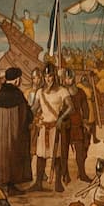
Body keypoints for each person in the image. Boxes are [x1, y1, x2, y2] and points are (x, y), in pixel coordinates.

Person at [0, 66, 32, 194]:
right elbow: (25, 115)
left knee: (2, 156)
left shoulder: (0, 93)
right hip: (14, 134)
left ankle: (2, 183)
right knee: (13, 155)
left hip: (0, 135)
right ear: (16, 80)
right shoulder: (17, 94)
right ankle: (11, 186)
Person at [31, 62, 69, 191]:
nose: (48, 79)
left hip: (55, 129)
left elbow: (71, 107)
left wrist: (61, 119)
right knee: (40, 156)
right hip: (43, 128)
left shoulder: (62, 91)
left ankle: (58, 183)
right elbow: (34, 108)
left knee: (56, 156)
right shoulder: (40, 92)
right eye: (46, 76)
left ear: (54, 76)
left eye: (51, 76)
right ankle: (38, 184)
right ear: (43, 77)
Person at [55, 73, 92, 185]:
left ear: (73, 78)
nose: (68, 80)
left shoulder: (80, 92)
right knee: (64, 151)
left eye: (70, 77)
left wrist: (85, 121)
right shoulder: (61, 91)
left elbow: (85, 108)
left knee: (80, 151)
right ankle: (65, 174)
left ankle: (82, 173)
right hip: (65, 124)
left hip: (77, 124)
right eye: (66, 78)